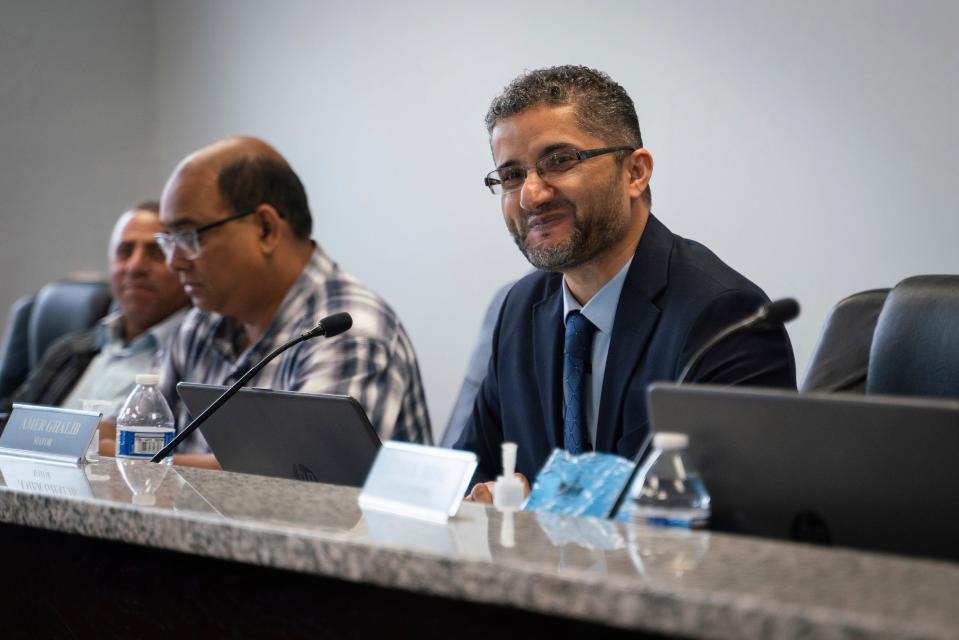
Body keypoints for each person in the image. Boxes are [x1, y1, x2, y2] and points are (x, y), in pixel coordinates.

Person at [455, 66, 796, 501]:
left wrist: (542, 514)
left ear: (635, 172)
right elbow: (472, 469)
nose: (531, 196)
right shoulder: (521, 307)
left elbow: (736, 522)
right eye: (512, 175)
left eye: (559, 161)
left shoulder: (725, 320)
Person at [156, 136, 431, 468]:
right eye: (168, 241)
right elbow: (136, 422)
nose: (174, 262)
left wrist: (139, 464)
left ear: (265, 229)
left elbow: (299, 479)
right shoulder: (202, 323)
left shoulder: (349, 329)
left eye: (188, 237)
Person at [2, 202, 190, 453]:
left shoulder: (195, 358)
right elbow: (8, 422)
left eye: (157, 252)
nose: (135, 267)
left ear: (182, 263)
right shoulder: (71, 350)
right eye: (124, 252)